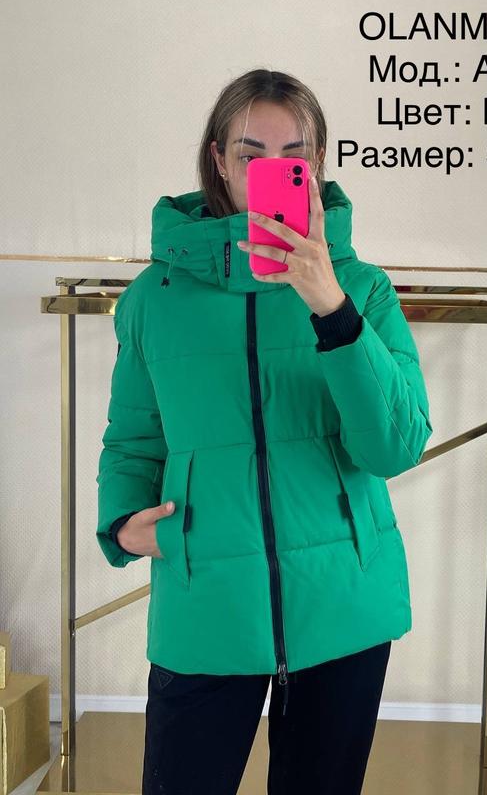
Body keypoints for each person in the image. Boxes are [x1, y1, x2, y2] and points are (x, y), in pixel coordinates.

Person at [96, 68, 433, 795]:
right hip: (206, 600)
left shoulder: (362, 288)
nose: (270, 171)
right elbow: (132, 438)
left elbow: (395, 446)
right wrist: (123, 521)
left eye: (294, 156)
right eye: (251, 154)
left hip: (343, 603)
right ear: (218, 159)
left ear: (316, 165)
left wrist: (331, 306)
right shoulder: (154, 299)